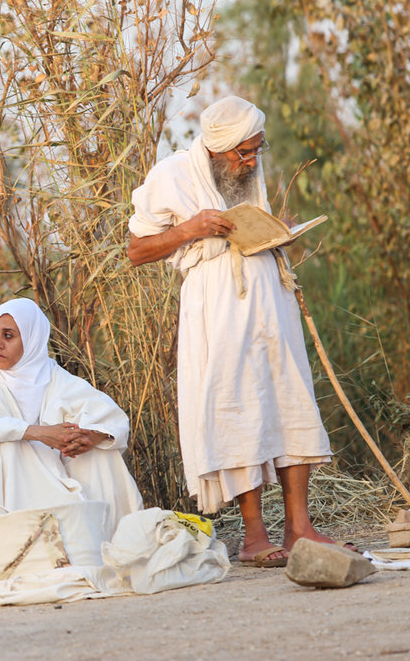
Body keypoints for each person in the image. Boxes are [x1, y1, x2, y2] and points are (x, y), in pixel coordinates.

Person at [126, 95, 341, 567]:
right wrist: (191, 229)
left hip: (270, 302)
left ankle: (300, 528)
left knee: (289, 400)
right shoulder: (172, 175)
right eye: (244, 152)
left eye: (257, 150)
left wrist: (273, 230)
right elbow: (137, 251)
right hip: (217, 308)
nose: (251, 161)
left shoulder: (248, 172)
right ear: (218, 149)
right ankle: (254, 537)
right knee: (237, 408)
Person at [0, 298, 143, 538]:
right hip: (6, 484)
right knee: (1, 444)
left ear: (31, 340)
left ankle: (114, 538)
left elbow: (112, 417)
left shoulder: (53, 377)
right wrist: (42, 433)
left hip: (55, 473)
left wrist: (91, 436)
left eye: (8, 336)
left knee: (100, 452)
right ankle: (11, 538)